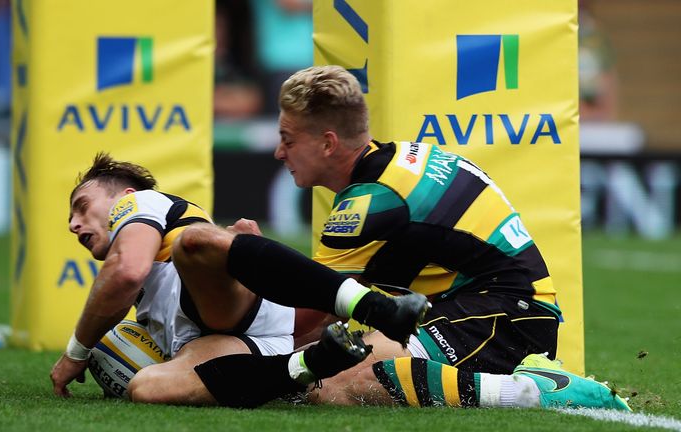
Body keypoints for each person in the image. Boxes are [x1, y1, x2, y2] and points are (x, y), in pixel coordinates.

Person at [183, 65, 630, 410]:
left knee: (333, 385)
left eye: (288, 138)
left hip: (502, 313)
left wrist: (250, 265)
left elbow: (301, 323)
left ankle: (535, 391)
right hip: (491, 304)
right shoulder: (398, 161)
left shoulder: (369, 206)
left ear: (328, 143)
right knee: (334, 364)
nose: (279, 151)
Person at [49, 152, 429, 400]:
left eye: (81, 207)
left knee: (192, 244)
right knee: (146, 387)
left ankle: (375, 307)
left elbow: (127, 272)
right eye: (70, 217)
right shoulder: (148, 290)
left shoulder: (140, 204)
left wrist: (78, 352)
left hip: (232, 311)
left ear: (123, 197)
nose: (72, 224)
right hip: (243, 341)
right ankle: (311, 364)